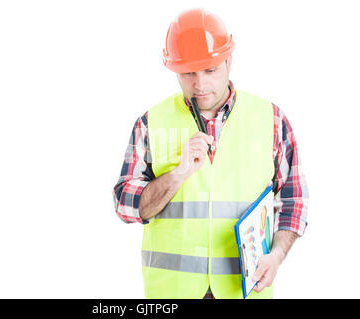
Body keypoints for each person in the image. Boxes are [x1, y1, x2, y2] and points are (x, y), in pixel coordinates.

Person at [112, 8, 309, 299]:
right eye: (189, 73)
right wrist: (177, 175)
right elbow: (124, 206)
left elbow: (294, 201)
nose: (200, 84)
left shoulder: (271, 120)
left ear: (229, 61)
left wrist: (277, 255)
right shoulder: (151, 123)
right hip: (172, 294)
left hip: (243, 291)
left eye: (210, 70)